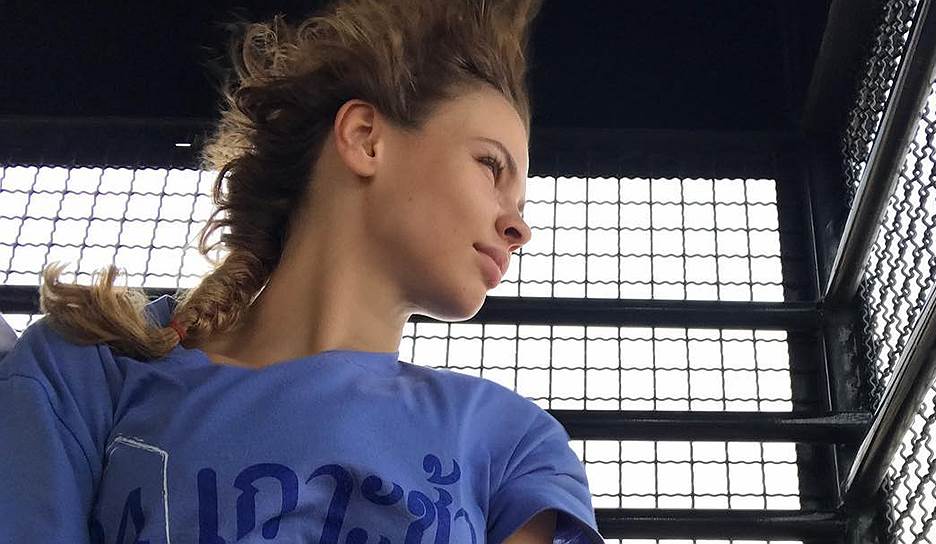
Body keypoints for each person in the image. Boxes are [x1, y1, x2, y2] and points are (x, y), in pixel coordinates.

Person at [0, 0, 606, 542]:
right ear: (365, 138)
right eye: (491, 167)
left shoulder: (515, 446)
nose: (519, 227)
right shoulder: (90, 365)